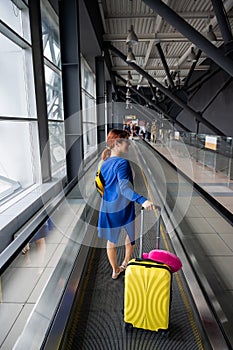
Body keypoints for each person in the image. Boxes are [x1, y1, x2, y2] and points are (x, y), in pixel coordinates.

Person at [97, 129, 155, 280]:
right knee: (131, 236)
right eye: (126, 141)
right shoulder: (122, 163)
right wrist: (143, 200)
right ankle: (126, 262)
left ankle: (115, 270)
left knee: (111, 240)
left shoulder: (104, 162)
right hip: (123, 206)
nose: (129, 144)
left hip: (108, 206)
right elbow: (124, 189)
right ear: (117, 143)